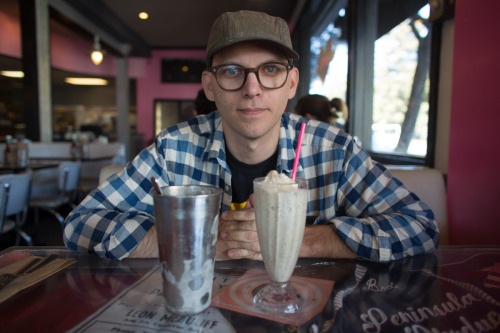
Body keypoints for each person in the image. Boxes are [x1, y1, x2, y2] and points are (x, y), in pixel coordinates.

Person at [63, 10, 439, 262]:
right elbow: (80, 224)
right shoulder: (172, 147)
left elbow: (420, 226)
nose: (252, 89)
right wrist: (199, 238)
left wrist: (296, 239)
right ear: (209, 86)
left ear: (291, 83)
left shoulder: (334, 150)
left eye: (270, 70)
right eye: (231, 71)